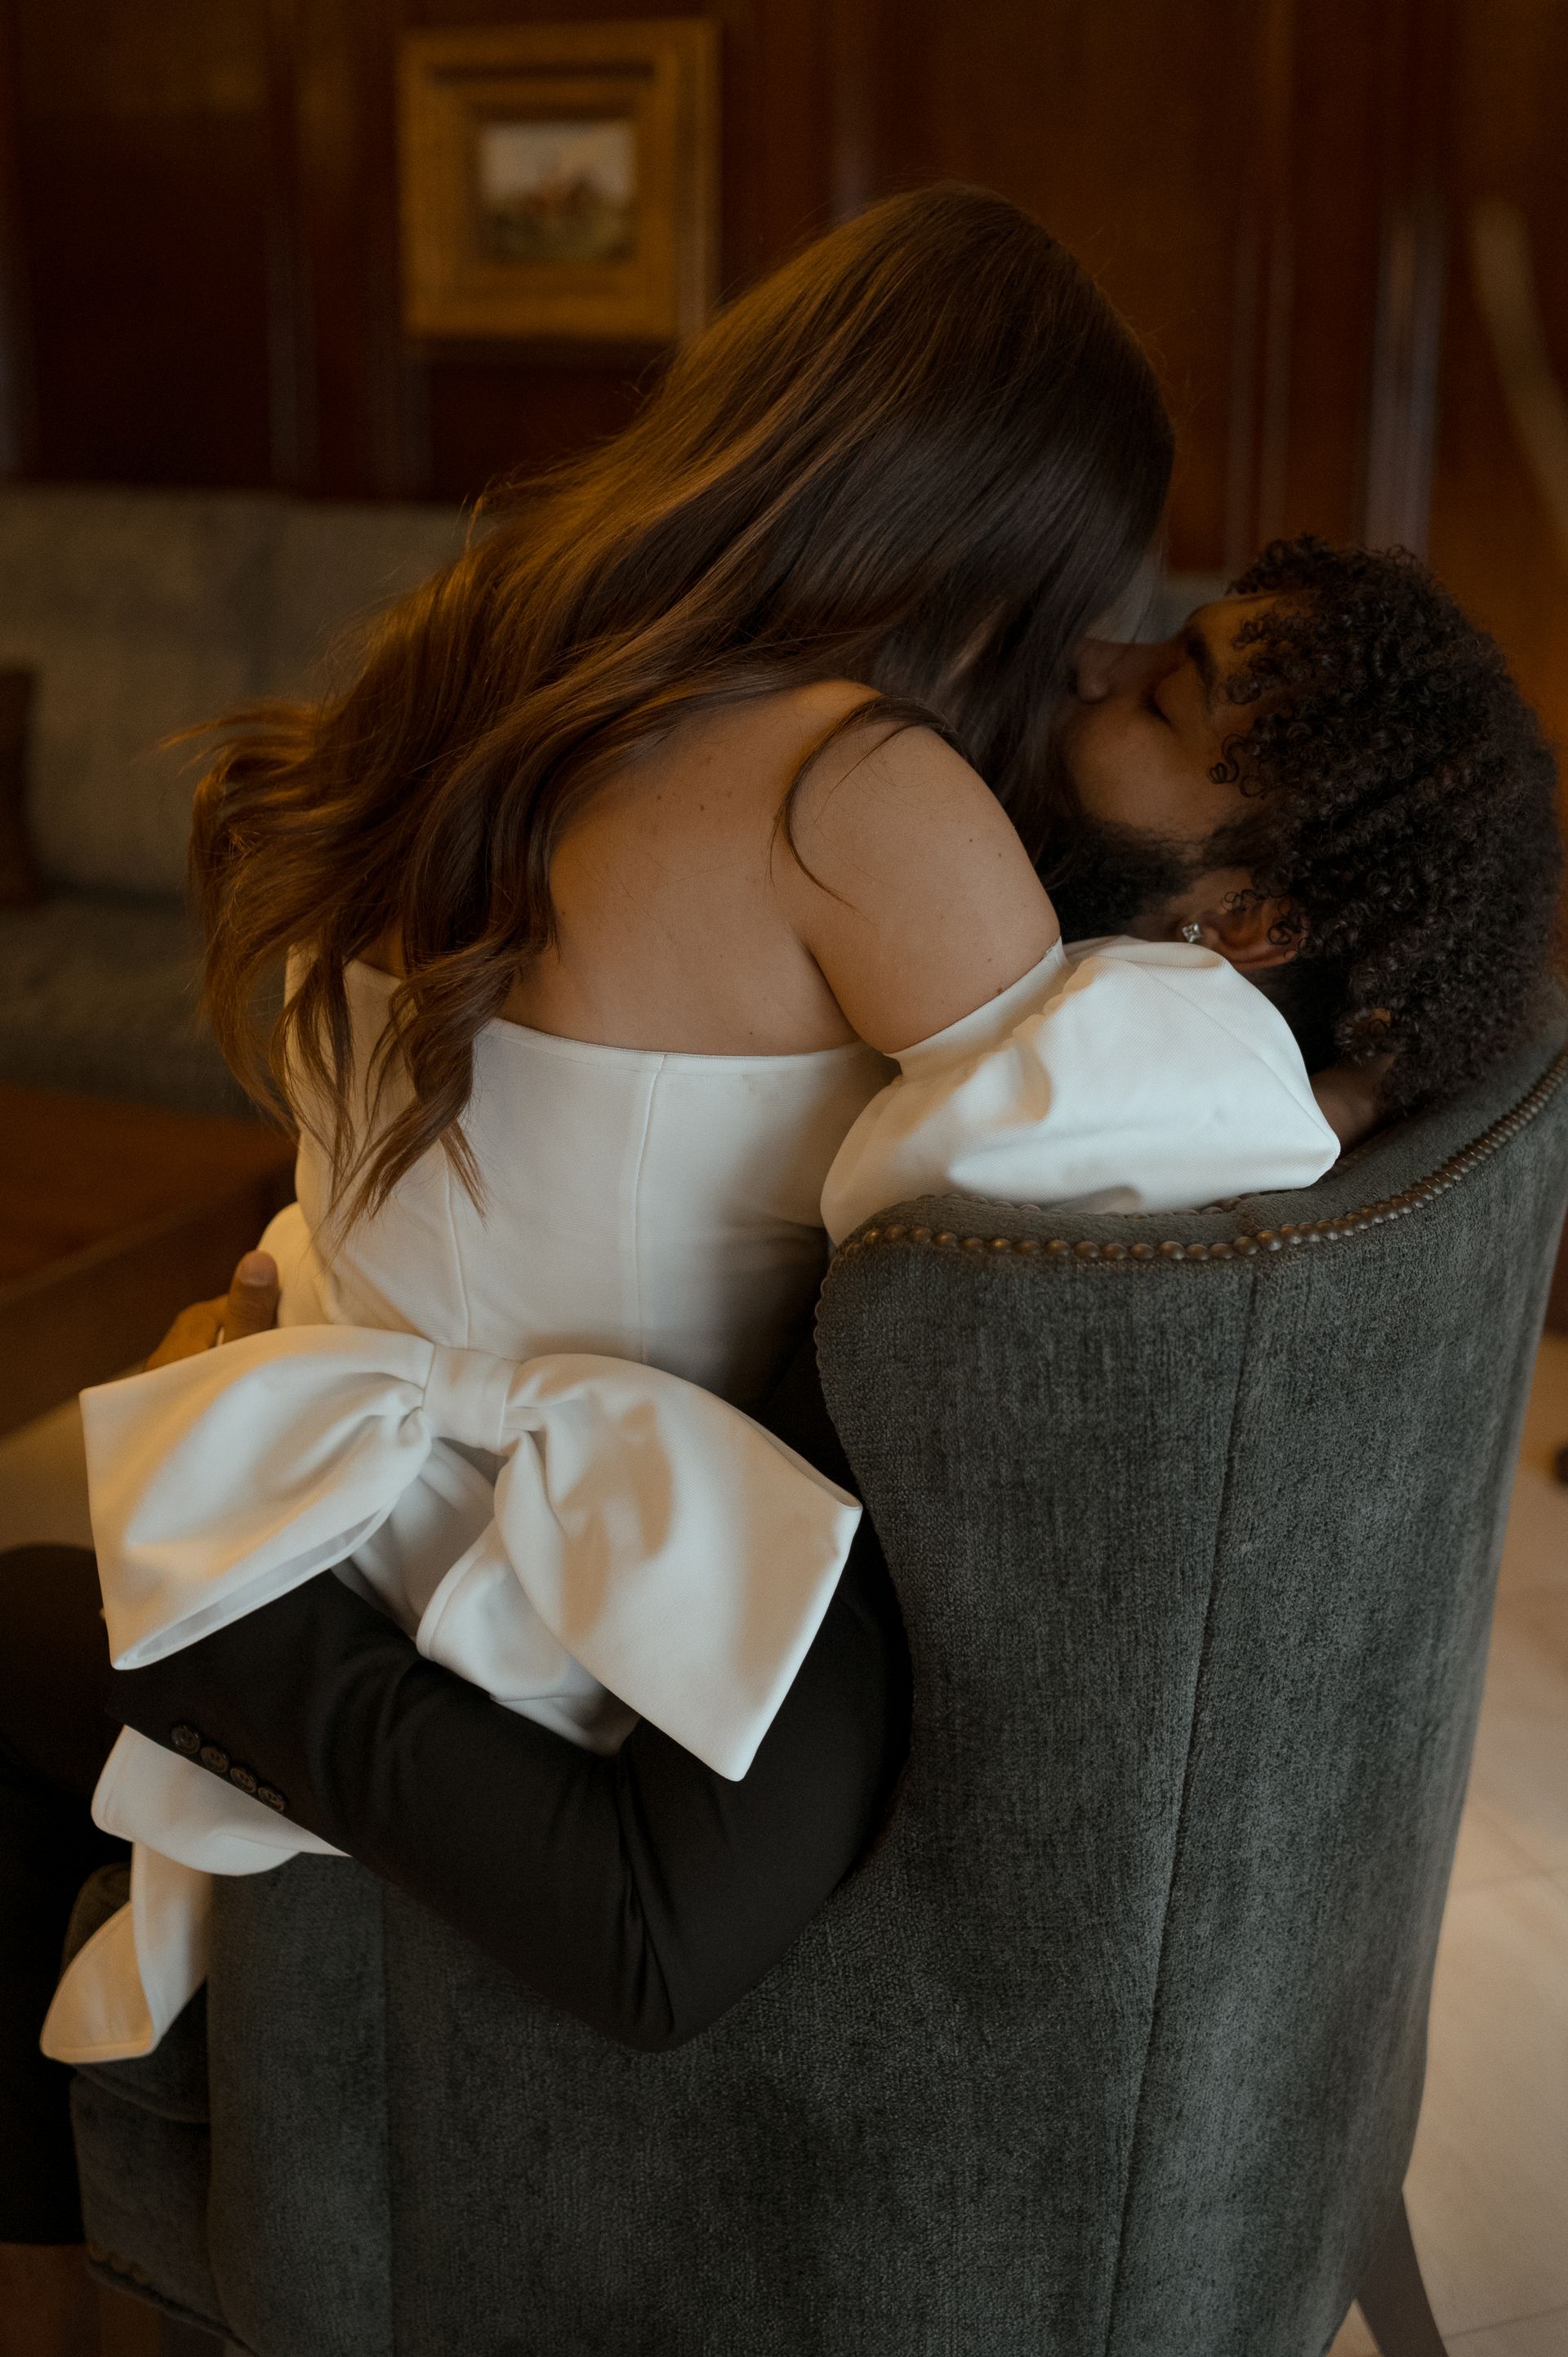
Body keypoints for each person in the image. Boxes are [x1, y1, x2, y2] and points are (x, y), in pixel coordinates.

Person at [1, 196, 1559, 2353]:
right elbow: (1147, 1148)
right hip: (532, 1556)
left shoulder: (514, 631)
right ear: (985, 523)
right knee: (708, 1867)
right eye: (1093, 585)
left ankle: (190, 1619)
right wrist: (1369, 1070)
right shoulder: (861, 787)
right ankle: (210, 1650)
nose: (1088, 641)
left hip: (403, 1446)